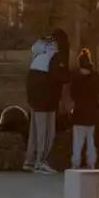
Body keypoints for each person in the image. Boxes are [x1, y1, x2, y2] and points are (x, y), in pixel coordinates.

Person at [24, 29, 70, 174]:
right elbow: (59, 75)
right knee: (47, 130)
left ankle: (30, 161)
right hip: (46, 94)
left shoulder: (41, 49)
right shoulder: (57, 54)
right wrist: (73, 76)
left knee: (35, 129)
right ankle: (42, 162)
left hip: (33, 91)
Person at [67, 49, 99, 171]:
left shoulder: (76, 78)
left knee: (77, 142)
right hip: (93, 113)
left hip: (79, 113)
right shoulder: (96, 77)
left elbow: (73, 95)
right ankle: (91, 163)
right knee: (92, 141)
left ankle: (75, 163)